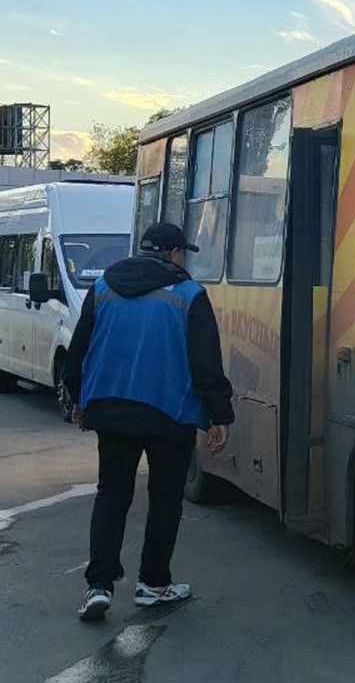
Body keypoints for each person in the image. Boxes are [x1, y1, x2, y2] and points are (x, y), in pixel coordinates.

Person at [63, 222, 234, 621]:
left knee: (112, 495)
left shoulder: (104, 286)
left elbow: (79, 348)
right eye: (182, 253)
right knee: (165, 499)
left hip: (111, 409)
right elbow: (205, 362)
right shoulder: (190, 295)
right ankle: (153, 584)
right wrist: (219, 414)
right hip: (168, 413)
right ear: (174, 254)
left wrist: (75, 396)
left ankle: (99, 587)